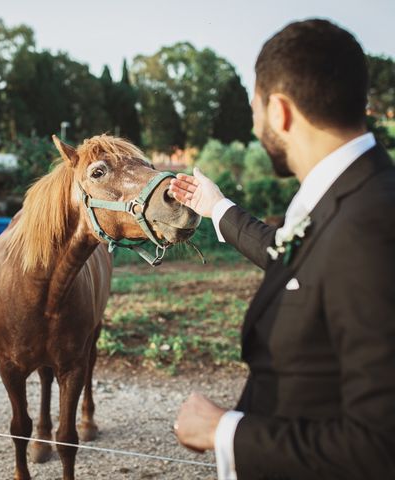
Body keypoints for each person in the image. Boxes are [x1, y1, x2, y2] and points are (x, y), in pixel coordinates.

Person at [168, 19, 395, 480]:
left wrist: (224, 431)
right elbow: (292, 255)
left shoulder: (370, 225)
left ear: (279, 111)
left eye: (254, 109)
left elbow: (381, 447)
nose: (254, 126)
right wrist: (216, 208)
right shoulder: (349, 193)